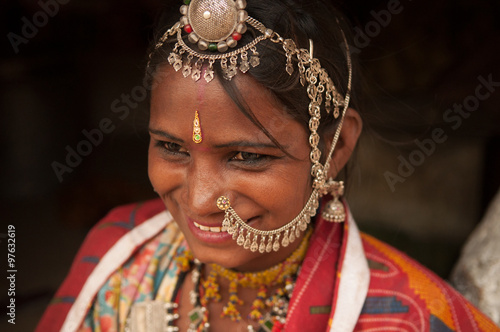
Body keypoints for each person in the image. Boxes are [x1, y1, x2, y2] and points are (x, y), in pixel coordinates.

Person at [37, 0, 499, 331]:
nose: (199, 201)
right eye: (172, 148)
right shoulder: (117, 254)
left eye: (247, 157)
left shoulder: (414, 316)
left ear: (335, 149)